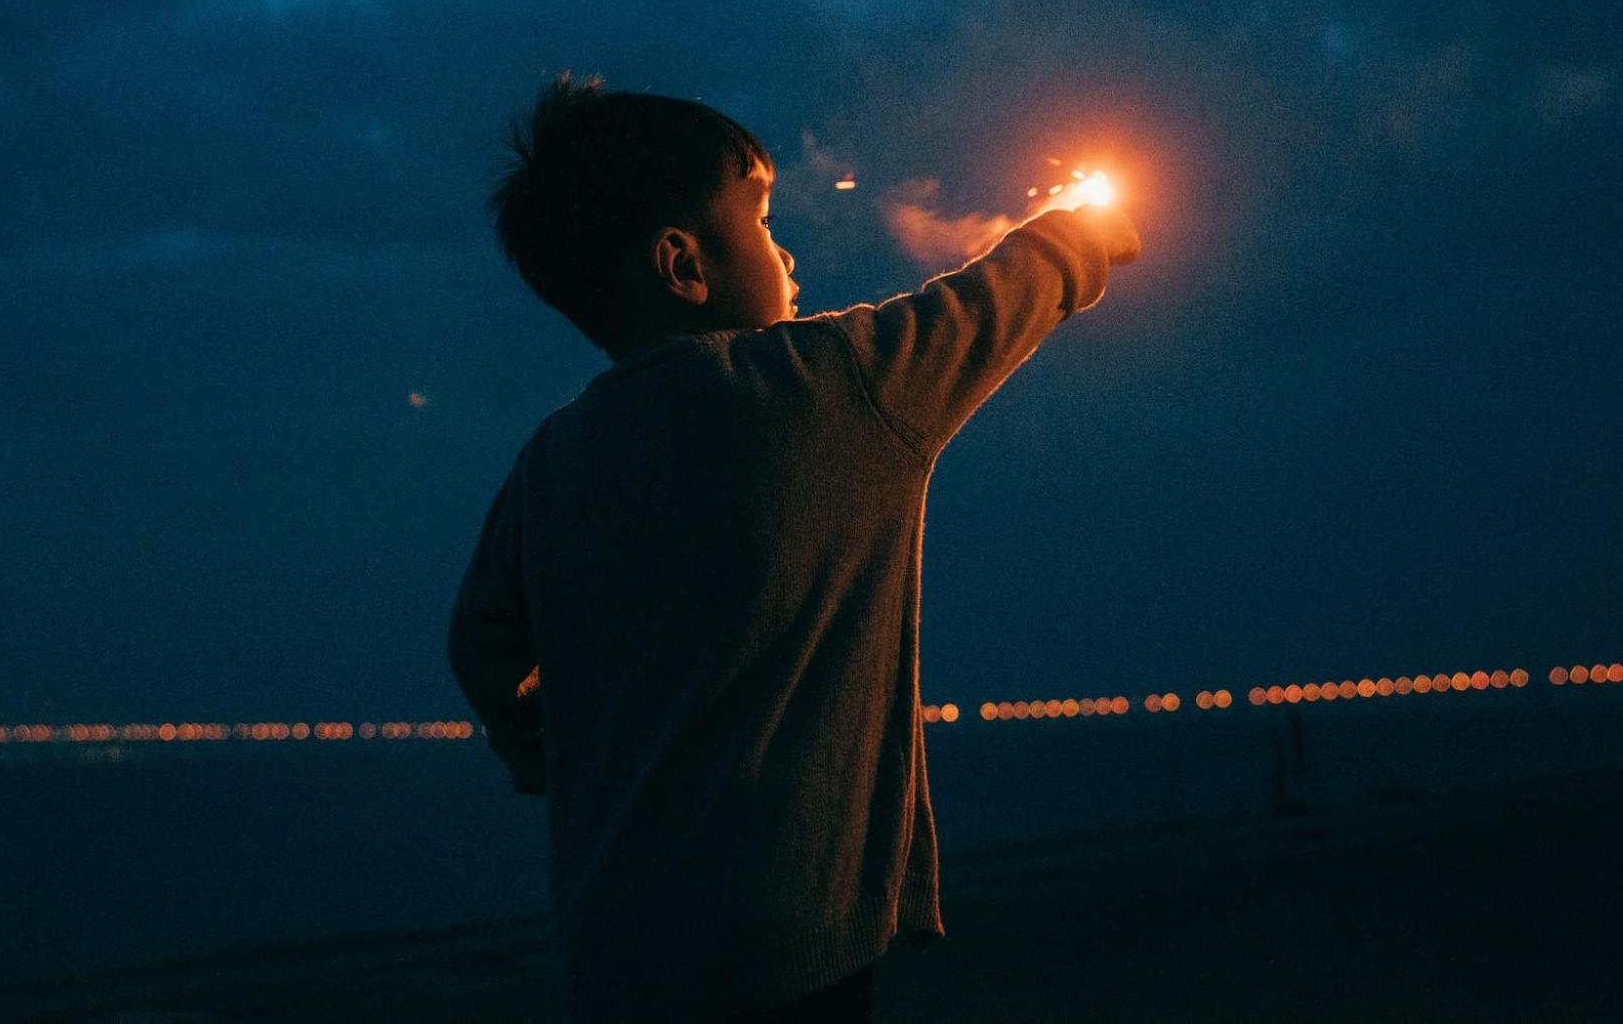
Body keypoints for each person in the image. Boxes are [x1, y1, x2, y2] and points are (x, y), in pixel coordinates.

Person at [447, 72, 1141, 1023]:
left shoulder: (553, 456)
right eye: (763, 220)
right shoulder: (827, 387)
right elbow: (988, 303)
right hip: (781, 948)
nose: (786, 249)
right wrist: (1078, 234)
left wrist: (544, 756)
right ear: (683, 265)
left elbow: (479, 642)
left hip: (613, 949)